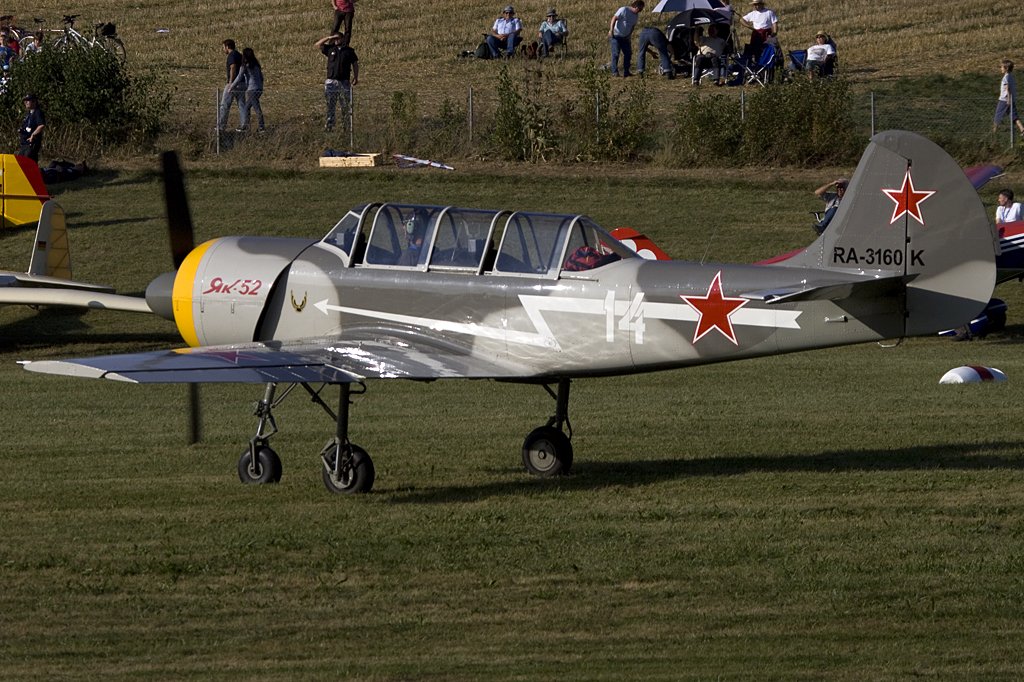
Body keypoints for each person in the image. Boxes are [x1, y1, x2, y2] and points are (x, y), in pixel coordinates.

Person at [317, 32, 358, 132]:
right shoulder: (330, 49)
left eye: (338, 38)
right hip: (331, 81)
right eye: (335, 39)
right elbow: (318, 45)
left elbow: (355, 63)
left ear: (343, 39)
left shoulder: (349, 51)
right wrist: (329, 37)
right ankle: (330, 126)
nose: (336, 40)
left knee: (345, 105)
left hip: (344, 82)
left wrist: (356, 77)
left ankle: (347, 127)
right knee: (331, 104)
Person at [608, 1, 644, 78]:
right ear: (636, 7)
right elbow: (614, 18)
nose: (640, 11)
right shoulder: (623, 10)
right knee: (616, 54)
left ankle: (626, 72)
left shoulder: (636, 16)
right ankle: (614, 72)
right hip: (616, 35)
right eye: (640, 9)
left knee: (628, 54)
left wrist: (629, 35)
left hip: (625, 37)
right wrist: (611, 30)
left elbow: (632, 26)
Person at [237, 47, 265, 133]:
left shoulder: (245, 66)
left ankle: (261, 127)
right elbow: (261, 78)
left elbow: (239, 77)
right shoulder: (256, 65)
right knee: (247, 107)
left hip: (251, 90)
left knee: (256, 108)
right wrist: (260, 86)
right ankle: (246, 126)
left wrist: (231, 87)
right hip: (259, 89)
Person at [218, 39, 244, 131]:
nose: (223, 49)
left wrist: (230, 82)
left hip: (233, 84)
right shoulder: (239, 55)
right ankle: (244, 125)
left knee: (224, 105)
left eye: (223, 47)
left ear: (227, 47)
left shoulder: (231, 55)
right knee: (241, 105)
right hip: (242, 83)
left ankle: (221, 126)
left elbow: (233, 67)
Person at [993, 59, 1024, 136]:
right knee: (1014, 115)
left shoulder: (1006, 78)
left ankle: (994, 133)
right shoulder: (1011, 77)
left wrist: (1008, 100)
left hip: (1004, 100)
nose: (1001, 68)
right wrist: (1011, 100)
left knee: (997, 115)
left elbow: (1008, 89)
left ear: (1006, 68)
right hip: (1011, 99)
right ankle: (1022, 130)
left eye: (1002, 67)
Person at [18, 93, 44, 161]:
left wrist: (33, 135)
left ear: (34, 101)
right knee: (20, 161)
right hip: (24, 144)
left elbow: (41, 125)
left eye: (28, 100)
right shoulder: (28, 114)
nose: (26, 102)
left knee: (27, 162)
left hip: (31, 144)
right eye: (25, 101)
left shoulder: (37, 112)